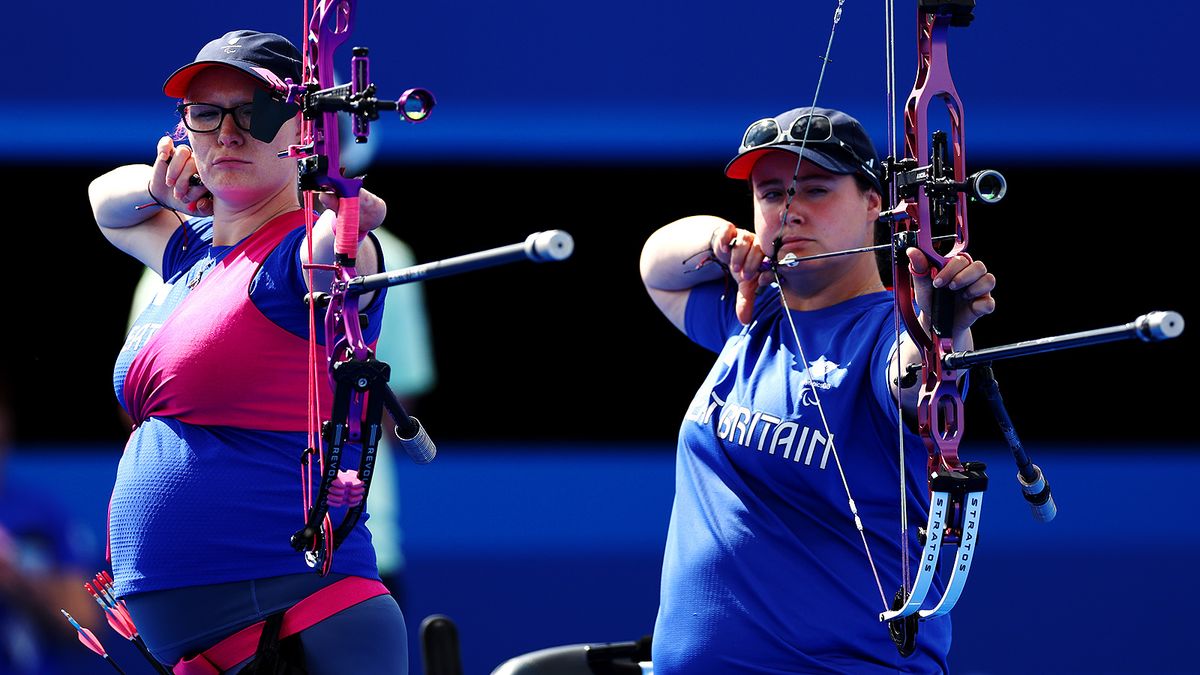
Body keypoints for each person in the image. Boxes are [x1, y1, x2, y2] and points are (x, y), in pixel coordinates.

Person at [88, 30, 409, 672]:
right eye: (206, 115)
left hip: (304, 625)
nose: (227, 134)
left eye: (256, 113)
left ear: (307, 133)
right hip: (206, 645)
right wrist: (162, 187)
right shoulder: (188, 250)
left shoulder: (297, 253)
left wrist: (343, 214)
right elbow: (105, 202)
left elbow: (338, 259)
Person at [639, 106, 996, 672]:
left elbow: (913, 380)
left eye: (816, 189)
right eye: (772, 192)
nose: (789, 210)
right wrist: (719, 239)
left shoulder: (885, 334)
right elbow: (656, 267)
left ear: (875, 202)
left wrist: (942, 325)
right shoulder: (753, 312)